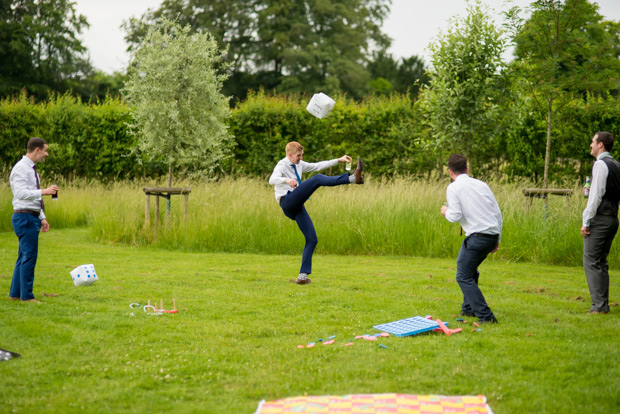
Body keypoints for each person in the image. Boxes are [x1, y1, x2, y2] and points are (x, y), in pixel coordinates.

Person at [269, 141, 363, 284]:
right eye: (298, 156)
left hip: (296, 205)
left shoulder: (299, 163)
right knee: (318, 179)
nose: (301, 158)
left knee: (312, 238)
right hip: (287, 201)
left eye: (301, 155)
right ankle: (351, 178)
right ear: (290, 155)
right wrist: (287, 180)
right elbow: (271, 180)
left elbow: (318, 165)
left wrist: (338, 160)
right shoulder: (282, 165)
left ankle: (302, 276)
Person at [440, 154, 502, 323]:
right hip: (491, 234)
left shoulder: (453, 188)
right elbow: (497, 213)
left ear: (450, 172)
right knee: (469, 269)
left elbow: (455, 216)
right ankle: (468, 309)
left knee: (463, 275)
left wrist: (445, 211)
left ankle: (486, 316)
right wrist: (497, 239)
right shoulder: (482, 185)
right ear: (467, 169)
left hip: (477, 236)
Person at [9, 137, 58, 303]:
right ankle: (27, 297)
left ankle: (15, 294)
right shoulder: (21, 169)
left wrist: (42, 217)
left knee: (23, 256)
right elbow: (20, 194)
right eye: (45, 150)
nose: (47, 154)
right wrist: (44, 191)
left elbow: (32, 197)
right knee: (29, 256)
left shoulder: (32, 170)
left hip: (31, 215)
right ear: (37, 150)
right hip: (24, 217)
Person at [581, 132, 620, 315]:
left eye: (593, 141)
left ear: (601, 145)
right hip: (613, 218)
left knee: (591, 261)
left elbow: (596, 196)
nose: (590, 145)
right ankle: (602, 303)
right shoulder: (616, 165)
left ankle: (598, 306)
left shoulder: (600, 164)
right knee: (601, 262)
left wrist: (586, 220)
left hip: (601, 218)